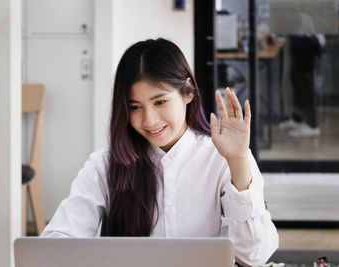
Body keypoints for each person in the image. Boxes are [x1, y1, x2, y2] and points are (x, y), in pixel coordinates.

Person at [41, 38, 278, 266]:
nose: (149, 120)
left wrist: (238, 162)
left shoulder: (221, 158)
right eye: (135, 107)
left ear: (188, 93)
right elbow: (57, 243)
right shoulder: (105, 163)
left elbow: (254, 255)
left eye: (160, 102)